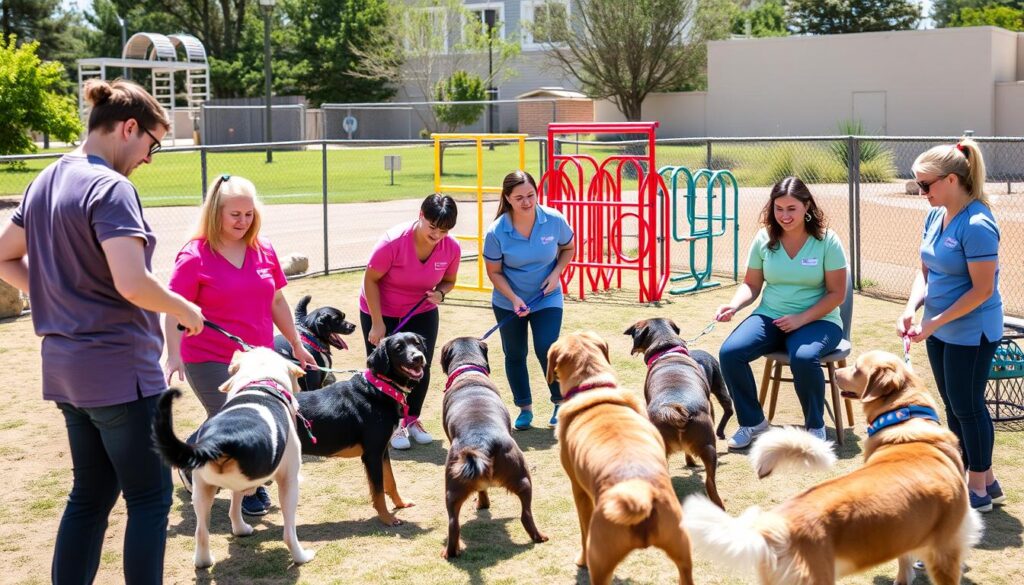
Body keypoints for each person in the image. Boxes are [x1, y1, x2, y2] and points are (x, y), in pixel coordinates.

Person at [0, 79, 205, 584]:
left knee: (89, 496)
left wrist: (54, 296)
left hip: (66, 372)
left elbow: (4, 255)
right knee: (151, 499)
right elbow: (133, 283)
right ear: (128, 127)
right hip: (119, 370)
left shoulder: (45, 179)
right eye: (152, 144)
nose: (150, 158)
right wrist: (185, 308)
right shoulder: (112, 188)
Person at [163, 174, 316, 516]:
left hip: (257, 358)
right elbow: (174, 308)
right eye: (235, 215)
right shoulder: (194, 256)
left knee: (241, 416)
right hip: (208, 356)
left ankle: (192, 458)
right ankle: (250, 488)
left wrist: (296, 342)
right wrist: (173, 353)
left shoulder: (263, 250)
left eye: (249, 215)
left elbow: (277, 302)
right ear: (216, 212)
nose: (243, 222)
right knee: (239, 418)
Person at [898, 138, 1004, 512]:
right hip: (938, 328)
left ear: (953, 180)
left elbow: (982, 290)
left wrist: (935, 321)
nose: (920, 191)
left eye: (925, 184)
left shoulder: (977, 224)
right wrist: (913, 308)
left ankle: (976, 487)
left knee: (968, 406)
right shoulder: (934, 214)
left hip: (971, 331)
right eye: (917, 184)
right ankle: (985, 480)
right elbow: (924, 270)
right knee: (953, 404)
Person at [715, 176, 848, 449]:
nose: (784, 216)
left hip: (820, 320)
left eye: (791, 209)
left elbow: (837, 294)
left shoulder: (827, 241)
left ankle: (815, 425)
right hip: (771, 315)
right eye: (778, 209)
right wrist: (734, 304)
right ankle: (753, 423)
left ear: (807, 206)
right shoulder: (764, 238)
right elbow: (751, 284)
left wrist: (801, 318)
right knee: (730, 353)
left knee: (804, 356)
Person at [359, 194, 460, 450]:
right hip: (381, 310)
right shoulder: (392, 242)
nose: (437, 235)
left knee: (419, 365)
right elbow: (370, 280)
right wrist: (378, 322)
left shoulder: (452, 248)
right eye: (433, 227)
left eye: (444, 230)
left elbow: (449, 280)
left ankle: (411, 419)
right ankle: (388, 423)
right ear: (421, 216)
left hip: (421, 311)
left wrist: (441, 293)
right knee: (383, 368)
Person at [483, 170, 575, 430]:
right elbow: (494, 272)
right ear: (507, 198)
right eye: (519, 197)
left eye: (531, 195)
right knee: (515, 353)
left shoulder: (554, 220)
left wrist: (556, 274)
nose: (526, 202)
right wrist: (513, 298)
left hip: (546, 298)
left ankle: (559, 402)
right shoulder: (496, 232)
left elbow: (568, 247)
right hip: (508, 301)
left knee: (547, 348)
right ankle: (524, 408)